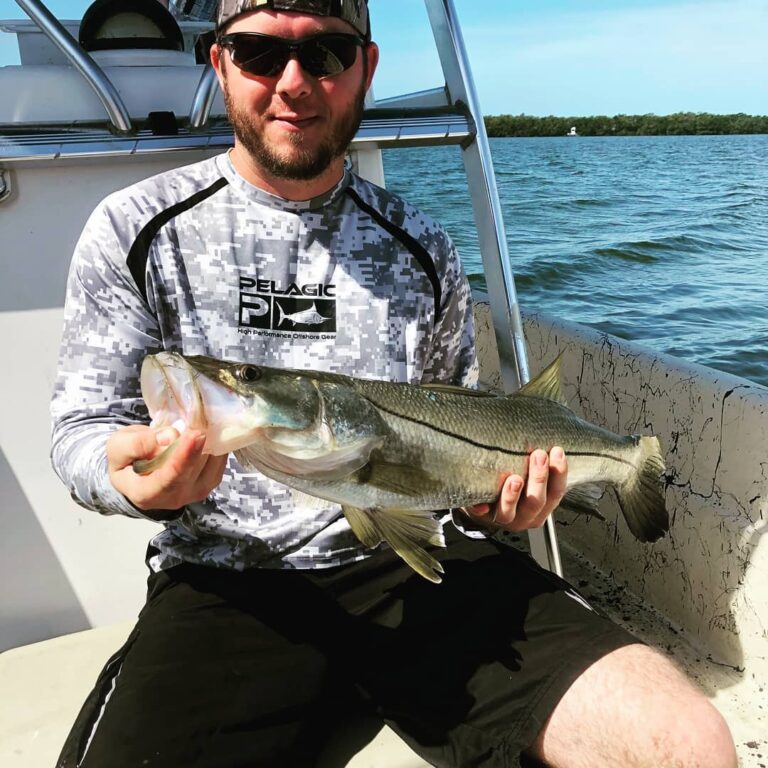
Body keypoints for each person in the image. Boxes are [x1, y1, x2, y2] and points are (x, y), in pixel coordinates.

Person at [50, 1, 736, 766]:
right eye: (258, 54)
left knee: (687, 745)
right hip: (226, 578)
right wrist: (128, 481)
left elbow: (466, 442)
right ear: (218, 63)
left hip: (424, 566)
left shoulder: (424, 247)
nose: (293, 82)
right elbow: (82, 426)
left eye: (326, 54)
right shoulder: (135, 226)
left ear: (365, 69)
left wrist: (499, 506)